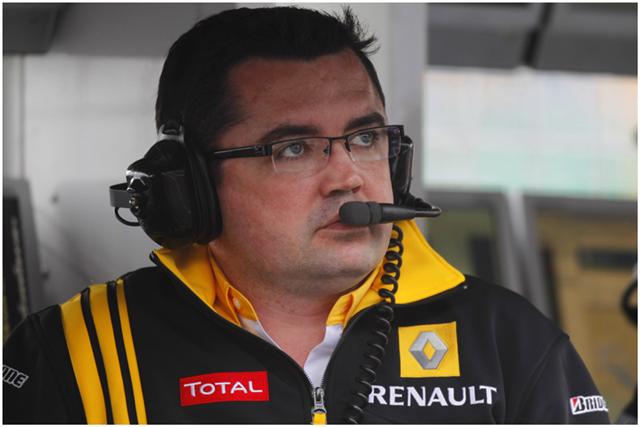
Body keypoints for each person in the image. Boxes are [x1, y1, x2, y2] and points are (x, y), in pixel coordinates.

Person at [3, 6, 609, 424]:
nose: (348, 175)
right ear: (191, 187)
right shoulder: (71, 353)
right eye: (293, 148)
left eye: (365, 138)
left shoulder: (511, 345)